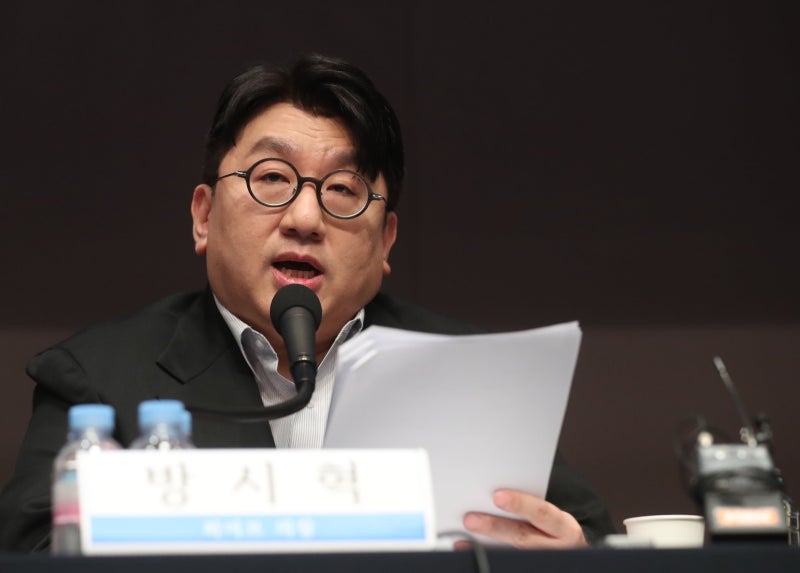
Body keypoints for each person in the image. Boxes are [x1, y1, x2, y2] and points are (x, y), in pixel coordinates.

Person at [0, 53, 614, 552]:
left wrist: (575, 557)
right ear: (204, 216)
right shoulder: (98, 380)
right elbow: (33, 555)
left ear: (386, 242)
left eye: (343, 189)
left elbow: (593, 540)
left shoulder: (474, 375)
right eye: (272, 178)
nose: (304, 218)